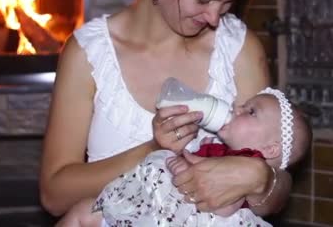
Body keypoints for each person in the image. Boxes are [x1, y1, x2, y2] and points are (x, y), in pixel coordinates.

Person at [39, 0, 299, 223]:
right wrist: (153, 150)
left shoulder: (238, 49)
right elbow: (54, 196)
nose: (215, 17)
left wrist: (261, 179)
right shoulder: (89, 54)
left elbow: (276, 184)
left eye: (228, 3)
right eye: (204, 0)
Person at [58, 88, 312, 226]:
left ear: (271, 150)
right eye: (244, 104)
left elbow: (225, 205)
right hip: (157, 212)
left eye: (251, 112)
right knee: (84, 211)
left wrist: (182, 167)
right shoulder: (215, 147)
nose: (237, 108)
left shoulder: (249, 161)